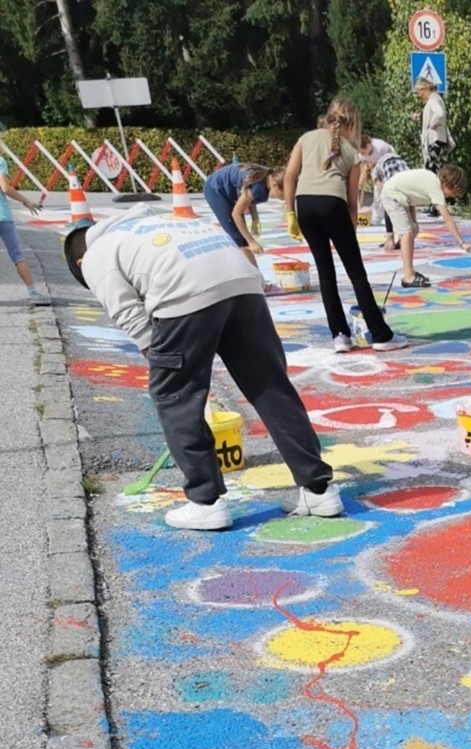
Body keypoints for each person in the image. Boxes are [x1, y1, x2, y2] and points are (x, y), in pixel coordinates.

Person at [62, 204, 345, 531]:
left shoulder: (96, 256)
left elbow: (128, 314)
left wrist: (165, 370)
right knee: (269, 387)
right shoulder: (154, 223)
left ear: (81, 263)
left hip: (184, 292)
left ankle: (205, 501)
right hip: (244, 285)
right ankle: (319, 490)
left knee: (174, 396)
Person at [283, 97, 409, 354]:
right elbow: (352, 202)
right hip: (334, 206)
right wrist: (349, 234)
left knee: (325, 273)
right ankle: (380, 333)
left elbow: (289, 176)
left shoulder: (305, 139)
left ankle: (340, 335)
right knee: (356, 273)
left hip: (304, 206)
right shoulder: (352, 153)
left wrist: (290, 214)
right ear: (353, 125)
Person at [379, 165, 471, 288]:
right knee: (406, 233)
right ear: (447, 184)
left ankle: (410, 272)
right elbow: (448, 219)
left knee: (411, 230)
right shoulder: (436, 187)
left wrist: (414, 221)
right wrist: (462, 242)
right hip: (392, 196)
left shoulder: (432, 181)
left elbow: (410, 197)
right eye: (454, 192)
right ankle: (408, 276)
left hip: (396, 194)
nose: (453, 196)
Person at [203, 162, 284, 265]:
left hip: (226, 189)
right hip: (216, 189)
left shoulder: (266, 177)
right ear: (275, 186)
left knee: (242, 237)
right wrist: (251, 242)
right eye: (285, 195)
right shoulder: (258, 186)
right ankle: (249, 274)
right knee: (237, 237)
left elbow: (249, 198)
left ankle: (255, 275)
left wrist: (255, 218)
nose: (286, 198)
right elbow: (236, 213)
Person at [0, 155, 51, 305]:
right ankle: (33, 293)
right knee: (17, 255)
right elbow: (5, 188)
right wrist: (25, 200)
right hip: (3, 216)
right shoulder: (0, 161)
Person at [414, 77, 454, 217]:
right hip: (437, 141)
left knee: (432, 173)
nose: (419, 95)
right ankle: (434, 205)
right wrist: (421, 119)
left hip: (435, 141)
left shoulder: (433, 100)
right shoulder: (434, 100)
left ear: (425, 88)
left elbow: (439, 114)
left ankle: (435, 206)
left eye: (419, 91)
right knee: (433, 172)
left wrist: (432, 123)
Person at [358, 136, 403, 251]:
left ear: (368, 146)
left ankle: (396, 232)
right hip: (377, 169)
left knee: (389, 196)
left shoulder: (380, 146)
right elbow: (362, 169)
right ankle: (380, 218)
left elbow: (393, 159)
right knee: (379, 194)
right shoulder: (361, 154)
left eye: (364, 152)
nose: (364, 155)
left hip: (391, 166)